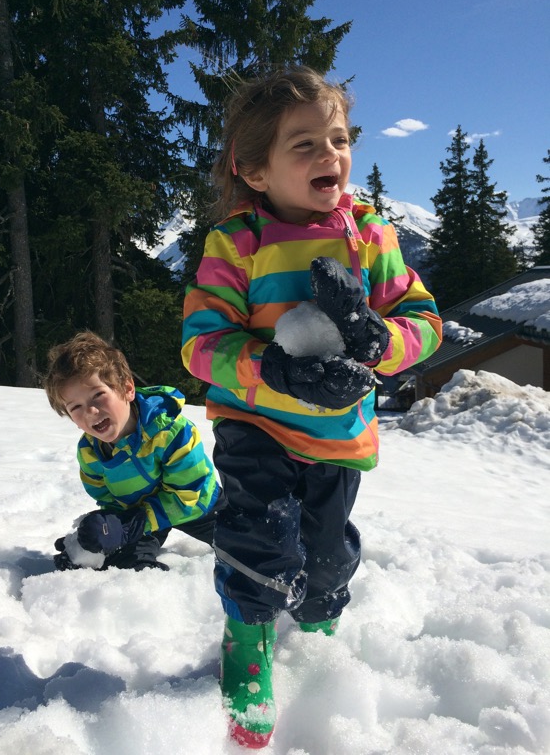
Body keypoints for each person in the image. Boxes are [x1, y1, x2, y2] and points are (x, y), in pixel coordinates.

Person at [181, 66, 442, 748]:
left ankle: (318, 635)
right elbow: (200, 344)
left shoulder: (371, 235)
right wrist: (272, 370)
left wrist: (382, 341)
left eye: (338, 137)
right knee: (259, 539)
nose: (330, 154)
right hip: (256, 425)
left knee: (327, 558)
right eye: (304, 145)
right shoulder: (237, 242)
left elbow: (425, 321)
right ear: (255, 171)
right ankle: (247, 643)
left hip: (337, 436)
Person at [43, 331, 223, 573]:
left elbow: (187, 496)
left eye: (98, 395)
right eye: (76, 407)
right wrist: (102, 534)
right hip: (141, 514)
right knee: (126, 564)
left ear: (127, 389)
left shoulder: (172, 432)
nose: (91, 411)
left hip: (197, 506)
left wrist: (130, 526)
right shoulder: (90, 453)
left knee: (252, 544)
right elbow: (109, 500)